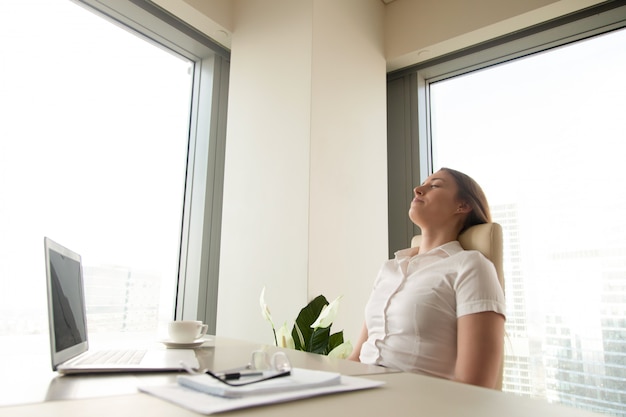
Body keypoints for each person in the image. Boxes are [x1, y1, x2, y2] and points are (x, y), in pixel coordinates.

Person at [348, 167, 505, 389]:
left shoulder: (470, 267)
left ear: (463, 205)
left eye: (434, 185)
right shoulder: (390, 268)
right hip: (359, 393)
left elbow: (474, 388)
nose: (418, 189)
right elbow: (356, 357)